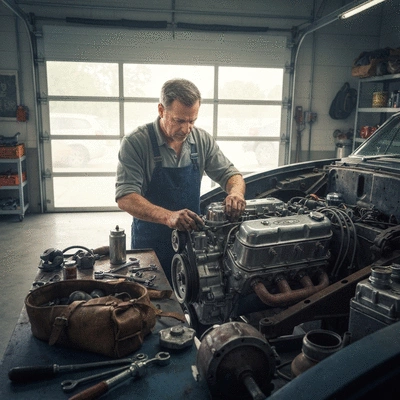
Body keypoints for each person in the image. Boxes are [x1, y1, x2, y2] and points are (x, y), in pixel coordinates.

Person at [115, 78, 246, 284]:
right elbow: (125, 197)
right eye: (179, 120)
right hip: (151, 243)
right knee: (154, 300)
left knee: (194, 298)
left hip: (191, 243)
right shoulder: (136, 142)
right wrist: (168, 217)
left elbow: (231, 175)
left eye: (192, 121)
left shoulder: (202, 140)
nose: (186, 129)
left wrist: (236, 192)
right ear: (161, 110)